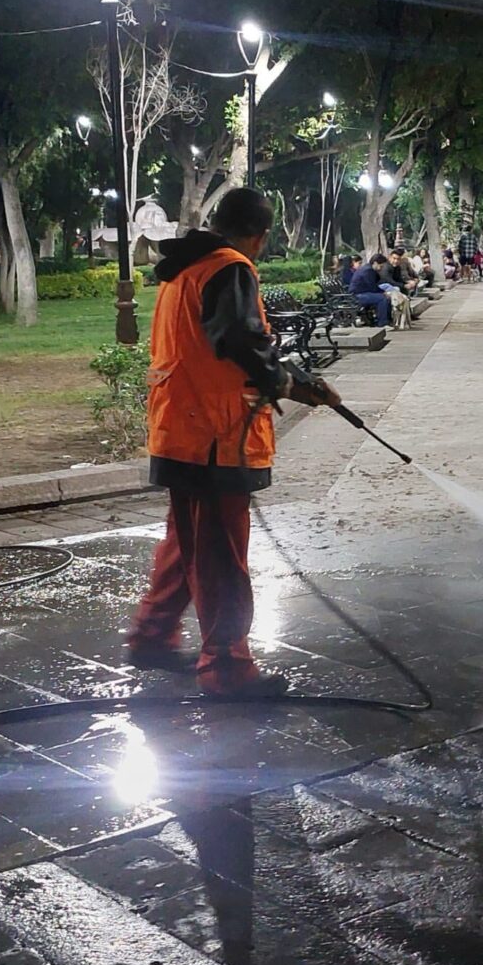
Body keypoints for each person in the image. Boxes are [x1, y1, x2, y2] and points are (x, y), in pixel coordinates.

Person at [126, 187, 342, 698]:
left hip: (181, 429)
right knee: (221, 556)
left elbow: (217, 344)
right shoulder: (230, 267)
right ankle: (226, 669)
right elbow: (239, 340)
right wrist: (290, 383)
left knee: (188, 545)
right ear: (260, 235)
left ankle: (152, 637)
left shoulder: (185, 269)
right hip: (214, 436)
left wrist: (291, 378)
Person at [350, 253, 393, 326]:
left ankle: (387, 319)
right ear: (375, 263)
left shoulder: (368, 269)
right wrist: (383, 293)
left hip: (362, 292)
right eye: (381, 266)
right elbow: (372, 287)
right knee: (382, 299)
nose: (381, 268)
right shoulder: (368, 271)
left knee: (385, 295)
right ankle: (382, 323)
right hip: (357, 296)